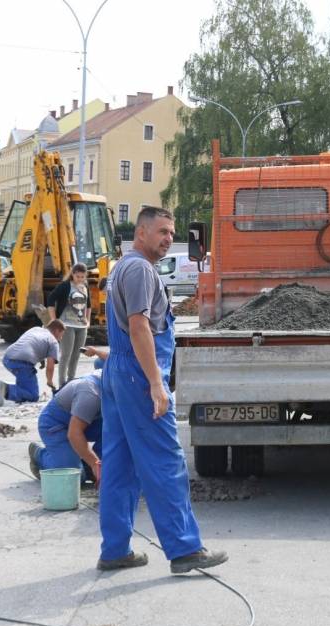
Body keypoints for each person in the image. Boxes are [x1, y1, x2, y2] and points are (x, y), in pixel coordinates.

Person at [97, 206, 228, 575]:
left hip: (121, 372)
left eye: (172, 232)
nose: (169, 238)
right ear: (141, 233)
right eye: (162, 232)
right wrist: (156, 383)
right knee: (166, 461)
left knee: (120, 464)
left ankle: (115, 549)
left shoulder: (123, 267)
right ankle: (185, 549)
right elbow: (139, 327)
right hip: (139, 376)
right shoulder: (139, 269)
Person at [28, 347, 109, 483]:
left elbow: (112, 357)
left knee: (116, 429)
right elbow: (74, 433)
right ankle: (40, 455)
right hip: (57, 425)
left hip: (88, 422)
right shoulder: (91, 393)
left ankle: (89, 464)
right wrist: (95, 464)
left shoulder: (118, 372)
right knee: (74, 476)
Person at [0, 320, 65, 404]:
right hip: (22, 363)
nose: (61, 338)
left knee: (25, 386)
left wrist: (40, 359)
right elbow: (50, 367)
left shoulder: (36, 329)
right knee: (33, 395)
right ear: (57, 331)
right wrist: (49, 381)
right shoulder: (53, 342)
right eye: (62, 335)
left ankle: (18, 397)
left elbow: (30, 343)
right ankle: (6, 389)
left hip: (8, 357)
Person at [47, 262, 91, 386]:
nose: (80, 279)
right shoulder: (65, 286)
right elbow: (51, 299)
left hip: (82, 326)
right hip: (67, 325)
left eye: (83, 277)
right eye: (78, 277)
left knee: (77, 355)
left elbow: (89, 305)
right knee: (66, 354)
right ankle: (62, 384)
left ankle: (71, 382)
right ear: (72, 275)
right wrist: (54, 320)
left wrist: (88, 321)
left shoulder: (85, 287)